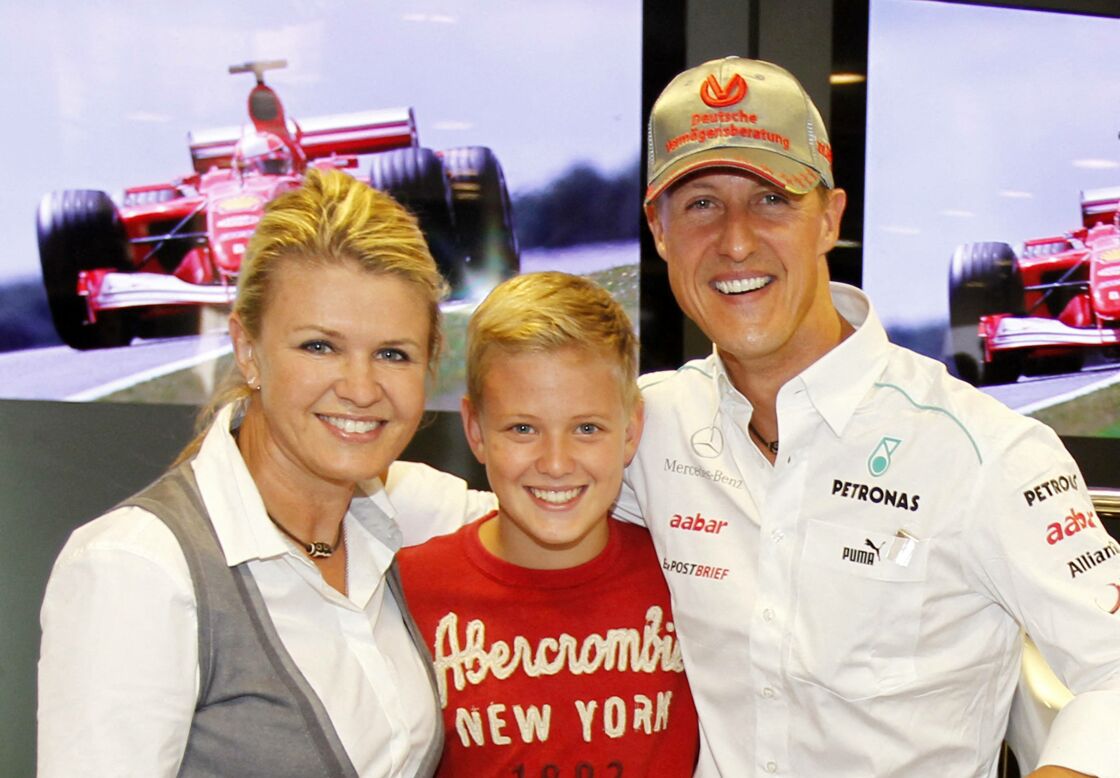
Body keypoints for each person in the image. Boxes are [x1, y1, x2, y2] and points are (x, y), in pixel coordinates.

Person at [611, 55, 1120, 777]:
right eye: (700, 204)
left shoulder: (986, 453)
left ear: (830, 218)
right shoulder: (643, 427)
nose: (733, 241)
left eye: (772, 199)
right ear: (658, 231)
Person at [37, 168, 489, 777]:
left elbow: (570, 491)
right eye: (319, 346)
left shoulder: (400, 513)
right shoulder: (137, 567)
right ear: (248, 350)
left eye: (392, 354)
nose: (361, 388)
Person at [396, 271, 700, 776]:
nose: (556, 463)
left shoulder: (685, 575)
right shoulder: (407, 591)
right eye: (522, 428)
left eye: (586, 428)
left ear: (631, 429)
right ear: (475, 430)